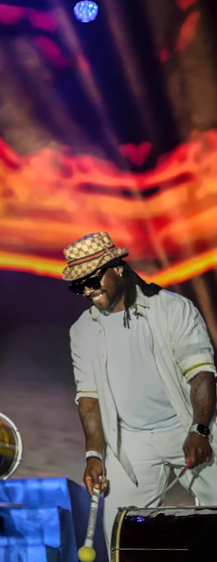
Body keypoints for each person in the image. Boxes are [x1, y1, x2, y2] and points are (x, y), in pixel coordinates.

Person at [66, 231, 217, 547]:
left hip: (187, 427)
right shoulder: (82, 330)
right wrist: (94, 454)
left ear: (117, 269)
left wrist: (200, 430)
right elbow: (89, 399)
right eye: (79, 286)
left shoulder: (172, 309)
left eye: (92, 280)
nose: (88, 290)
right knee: (120, 532)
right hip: (131, 442)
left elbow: (201, 373)